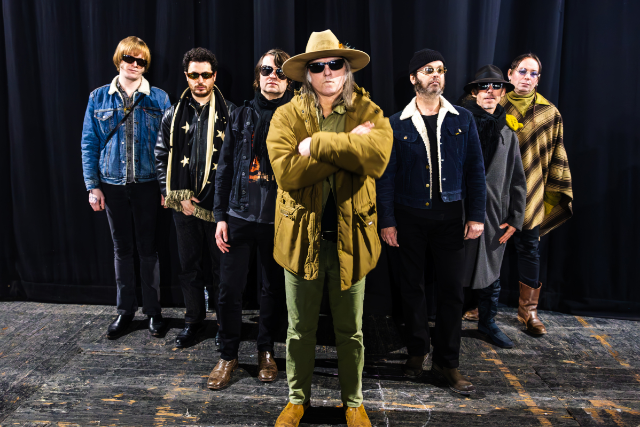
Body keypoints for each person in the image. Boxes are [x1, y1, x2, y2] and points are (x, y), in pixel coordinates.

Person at [267, 30, 393, 427]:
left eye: (334, 64)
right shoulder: (286, 115)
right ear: (307, 73)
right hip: (299, 240)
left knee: (350, 330)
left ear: (346, 68)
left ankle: (353, 402)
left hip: (351, 240)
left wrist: (316, 145)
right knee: (299, 330)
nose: (327, 72)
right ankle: (296, 400)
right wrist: (347, 147)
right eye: (317, 66)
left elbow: (377, 157)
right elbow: (288, 173)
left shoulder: (367, 110)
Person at [376, 49, 486, 394]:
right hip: (409, 218)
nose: (436, 75)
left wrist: (477, 215)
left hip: (450, 218)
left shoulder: (462, 119)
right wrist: (387, 220)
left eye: (440, 70)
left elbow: (475, 170)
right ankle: (417, 351)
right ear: (414, 79)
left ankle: (447, 362)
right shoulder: (396, 123)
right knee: (412, 288)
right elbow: (386, 178)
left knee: (452, 291)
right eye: (428, 70)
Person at [206, 49, 292, 389]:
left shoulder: (297, 118)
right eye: (267, 70)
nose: (273, 76)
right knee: (229, 290)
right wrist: (220, 217)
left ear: (288, 82)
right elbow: (224, 167)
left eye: (281, 72)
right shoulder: (239, 115)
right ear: (258, 77)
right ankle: (228, 355)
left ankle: (266, 350)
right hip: (239, 215)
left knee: (273, 290)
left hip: (278, 220)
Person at [81, 36, 170, 339]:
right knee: (122, 249)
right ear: (119, 59)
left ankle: (154, 312)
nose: (134, 65)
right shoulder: (98, 98)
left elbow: (169, 146)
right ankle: (125, 311)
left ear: (146, 65)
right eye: (129, 58)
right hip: (112, 185)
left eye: (140, 61)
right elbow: (89, 144)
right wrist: (93, 186)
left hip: (148, 185)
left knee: (148, 249)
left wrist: (166, 187)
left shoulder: (159, 98)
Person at [155, 47, 235, 348]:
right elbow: (161, 157)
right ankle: (193, 321)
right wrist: (174, 196)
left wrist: (224, 204)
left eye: (205, 75)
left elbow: (237, 162)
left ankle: (224, 324)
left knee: (221, 269)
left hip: (219, 208)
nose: (200, 80)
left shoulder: (231, 113)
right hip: (184, 206)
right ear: (186, 76)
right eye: (194, 75)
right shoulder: (172, 114)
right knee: (189, 267)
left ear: (214, 76)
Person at [499, 53, 573, 335]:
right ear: (510, 74)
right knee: (489, 247)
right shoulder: (495, 104)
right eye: (522, 71)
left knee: (529, 249)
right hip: (497, 191)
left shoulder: (549, 113)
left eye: (533, 73)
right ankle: (480, 305)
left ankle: (528, 311)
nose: (527, 78)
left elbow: (555, 156)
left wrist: (549, 191)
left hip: (531, 192)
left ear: (538, 79)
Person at [458, 65, 527, 348]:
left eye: (496, 86)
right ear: (474, 92)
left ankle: (487, 322)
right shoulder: (458, 124)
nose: (490, 91)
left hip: (494, 214)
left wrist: (516, 218)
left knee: (491, 273)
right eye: (484, 86)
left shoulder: (507, 131)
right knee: (451, 271)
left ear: (503, 92)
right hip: (459, 212)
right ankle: (444, 324)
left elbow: (518, 178)